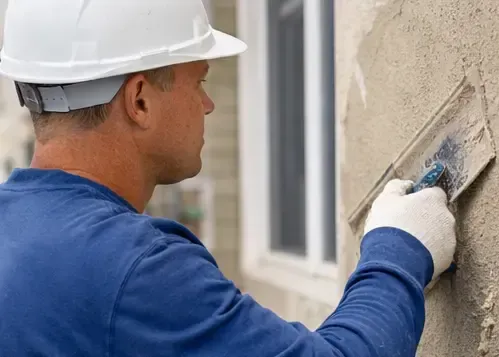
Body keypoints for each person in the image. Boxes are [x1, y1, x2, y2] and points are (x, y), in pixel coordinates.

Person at [0, 1, 456, 356]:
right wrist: (398, 250)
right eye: (199, 81)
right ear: (139, 101)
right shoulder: (132, 268)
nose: (207, 104)